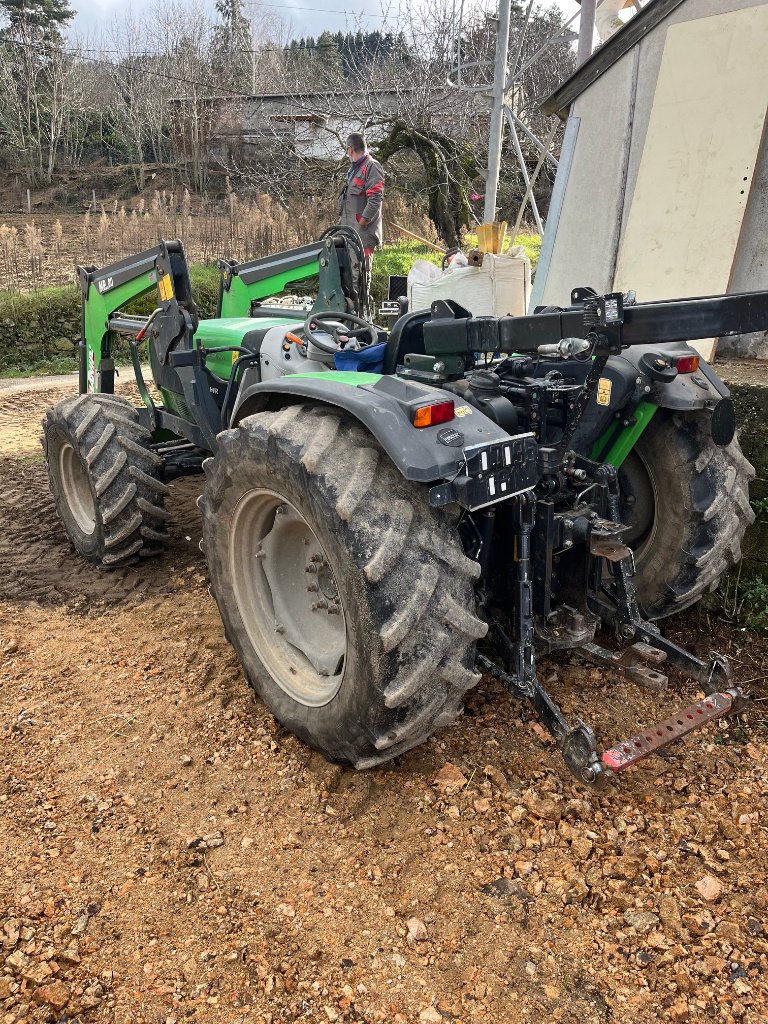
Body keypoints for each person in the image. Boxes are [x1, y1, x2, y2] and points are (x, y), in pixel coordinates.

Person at [338, 132, 384, 313]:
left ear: (350, 149)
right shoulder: (354, 170)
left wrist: (362, 224)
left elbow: (375, 199)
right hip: (349, 234)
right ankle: (351, 315)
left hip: (362, 235)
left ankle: (363, 316)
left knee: (361, 277)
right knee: (350, 278)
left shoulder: (371, 167)